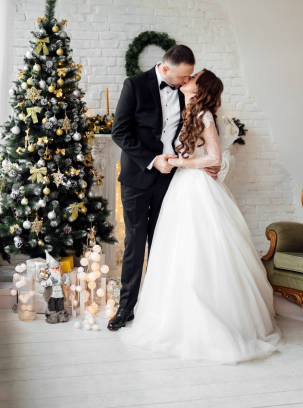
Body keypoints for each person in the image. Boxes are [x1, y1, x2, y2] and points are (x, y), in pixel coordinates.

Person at [118, 69, 282, 364]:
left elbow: (215, 158)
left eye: (193, 77)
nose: (186, 79)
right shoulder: (188, 109)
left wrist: (180, 161)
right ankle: (169, 311)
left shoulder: (204, 114)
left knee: (199, 248)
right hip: (181, 185)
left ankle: (208, 315)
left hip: (195, 187)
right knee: (176, 249)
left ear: (199, 87)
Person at [109, 45, 221, 331]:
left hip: (172, 180)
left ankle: (157, 308)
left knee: (163, 243)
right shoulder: (134, 85)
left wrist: (205, 163)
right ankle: (126, 309)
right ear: (165, 67)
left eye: (189, 78)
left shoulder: (188, 93)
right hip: (138, 176)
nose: (185, 82)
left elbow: (202, 132)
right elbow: (119, 132)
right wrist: (152, 160)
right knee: (134, 242)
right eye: (181, 77)